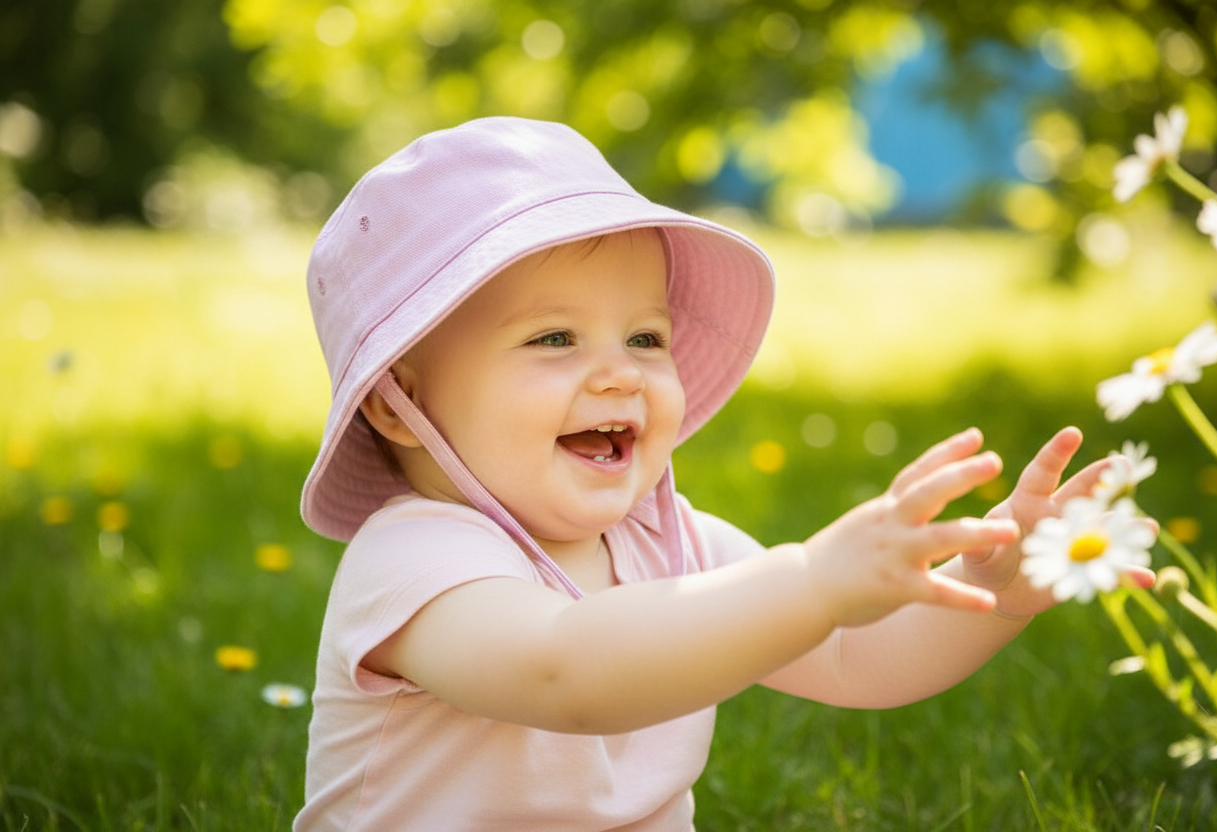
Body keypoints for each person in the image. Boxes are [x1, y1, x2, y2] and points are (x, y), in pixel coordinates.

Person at [292, 116, 1147, 831]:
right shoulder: (413, 564)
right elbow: (570, 672)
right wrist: (813, 579)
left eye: (645, 337)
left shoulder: (672, 542)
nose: (620, 373)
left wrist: (996, 587)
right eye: (553, 339)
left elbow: (857, 656)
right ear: (398, 405)